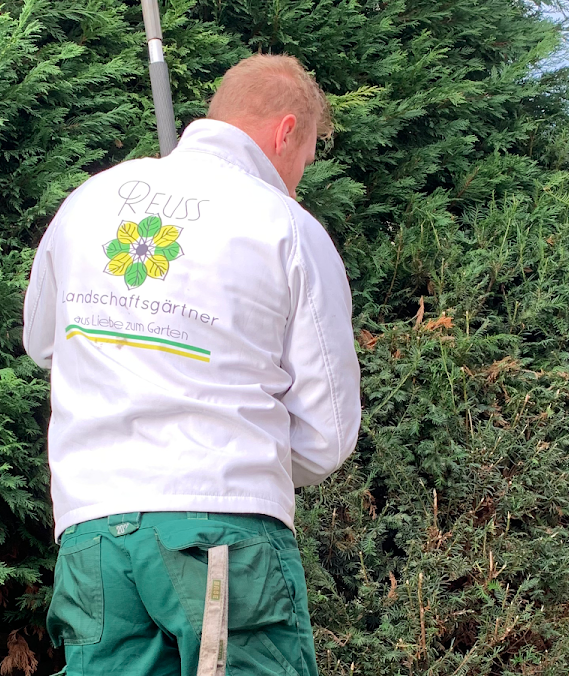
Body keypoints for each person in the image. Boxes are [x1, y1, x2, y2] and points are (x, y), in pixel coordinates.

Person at [22, 53, 361, 676]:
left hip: (95, 532)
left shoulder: (88, 202)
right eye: (307, 158)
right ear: (287, 132)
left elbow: (44, 342)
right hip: (223, 532)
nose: (298, 179)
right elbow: (326, 433)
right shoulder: (287, 226)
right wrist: (242, 454)